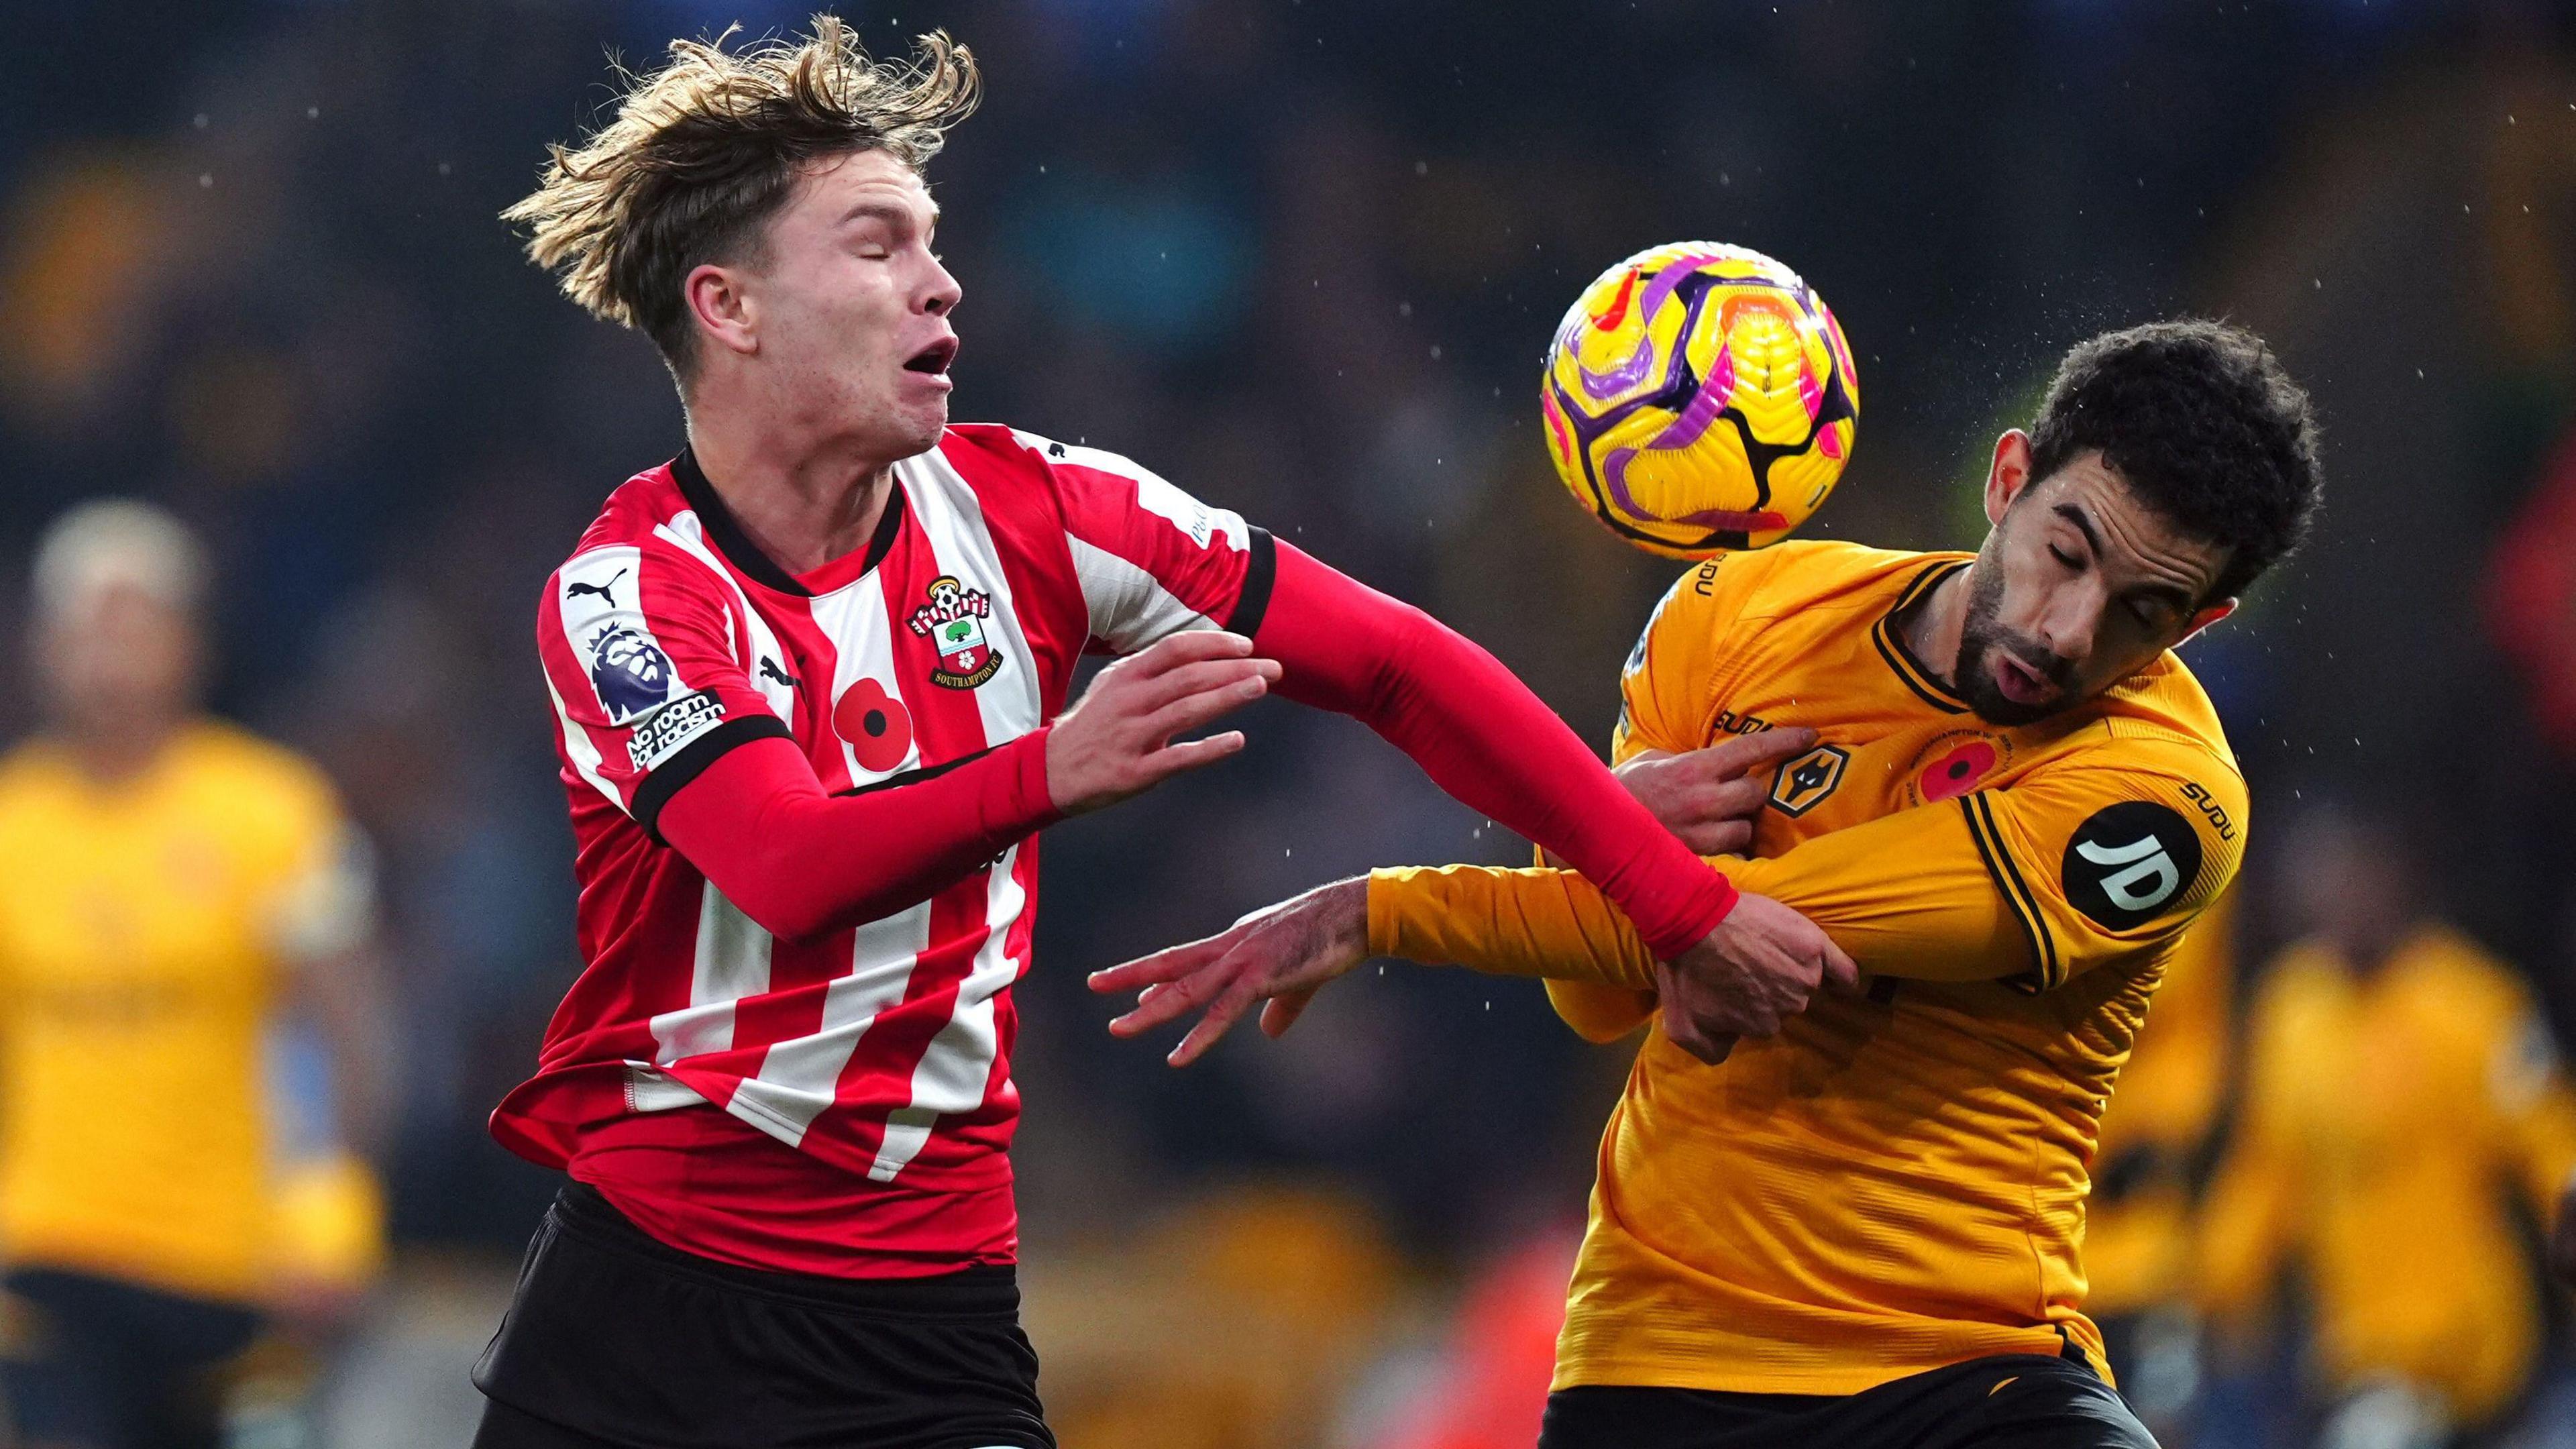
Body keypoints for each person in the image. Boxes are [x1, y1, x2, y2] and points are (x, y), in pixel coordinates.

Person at [475, 21, 1841, 1449]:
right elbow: (781, 863)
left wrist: (1664, 895)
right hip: (647, 1309)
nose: (941, 281)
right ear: (731, 306)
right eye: (877, 246)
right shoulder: (628, 594)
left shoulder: (1045, 514)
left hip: (925, 1310)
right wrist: (1048, 769)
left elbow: (1396, 664)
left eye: (934, 242)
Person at [1095, 319, 2328, 1449]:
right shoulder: (1740, 610)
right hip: (1663, 1351)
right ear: (2009, 481)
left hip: (1966, 1366)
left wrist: (1389, 906)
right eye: (2066, 554)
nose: (2069, 629)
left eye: (2143, 611)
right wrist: (1613, 849)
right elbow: (1603, 997)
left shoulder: (2165, 800)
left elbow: (1762, 935)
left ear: (2204, 620)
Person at [0, 501, 391, 1449]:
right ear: (40, 647)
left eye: (136, 616)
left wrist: (337, 1199)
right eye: (85, 621)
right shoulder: (13, 826)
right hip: (50, 1248)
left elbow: (348, 1027)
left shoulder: (273, 812)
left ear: (190, 641)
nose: (110, 647)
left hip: (229, 1259)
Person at [2197, 804, 2576, 1446]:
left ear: (2398, 880)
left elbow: (2552, 1150)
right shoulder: (2290, 1011)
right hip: (2357, 1356)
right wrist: (2215, 1289)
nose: (2344, 899)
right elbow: (2265, 1173)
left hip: (2478, 1356)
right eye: (2326, 881)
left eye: (2358, 879)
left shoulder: (2472, 1004)